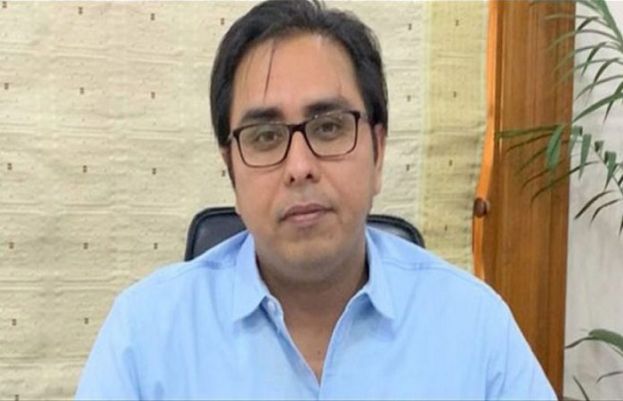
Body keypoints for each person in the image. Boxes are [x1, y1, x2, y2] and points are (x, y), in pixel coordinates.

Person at [75, 0, 556, 399]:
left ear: (378, 152)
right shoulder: (145, 335)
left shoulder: (474, 324)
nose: (299, 166)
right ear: (231, 170)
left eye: (328, 128)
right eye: (265, 136)